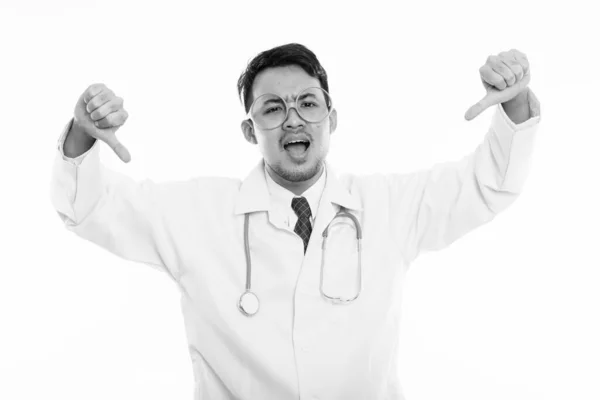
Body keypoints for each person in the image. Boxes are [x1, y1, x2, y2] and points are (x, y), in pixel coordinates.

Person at [50, 43, 541, 400]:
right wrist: (81, 137)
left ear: (331, 117)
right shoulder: (196, 214)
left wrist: (514, 105)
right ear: (250, 129)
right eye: (272, 108)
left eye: (308, 103)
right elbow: (89, 207)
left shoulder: (389, 206)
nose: (293, 119)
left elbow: (488, 184)